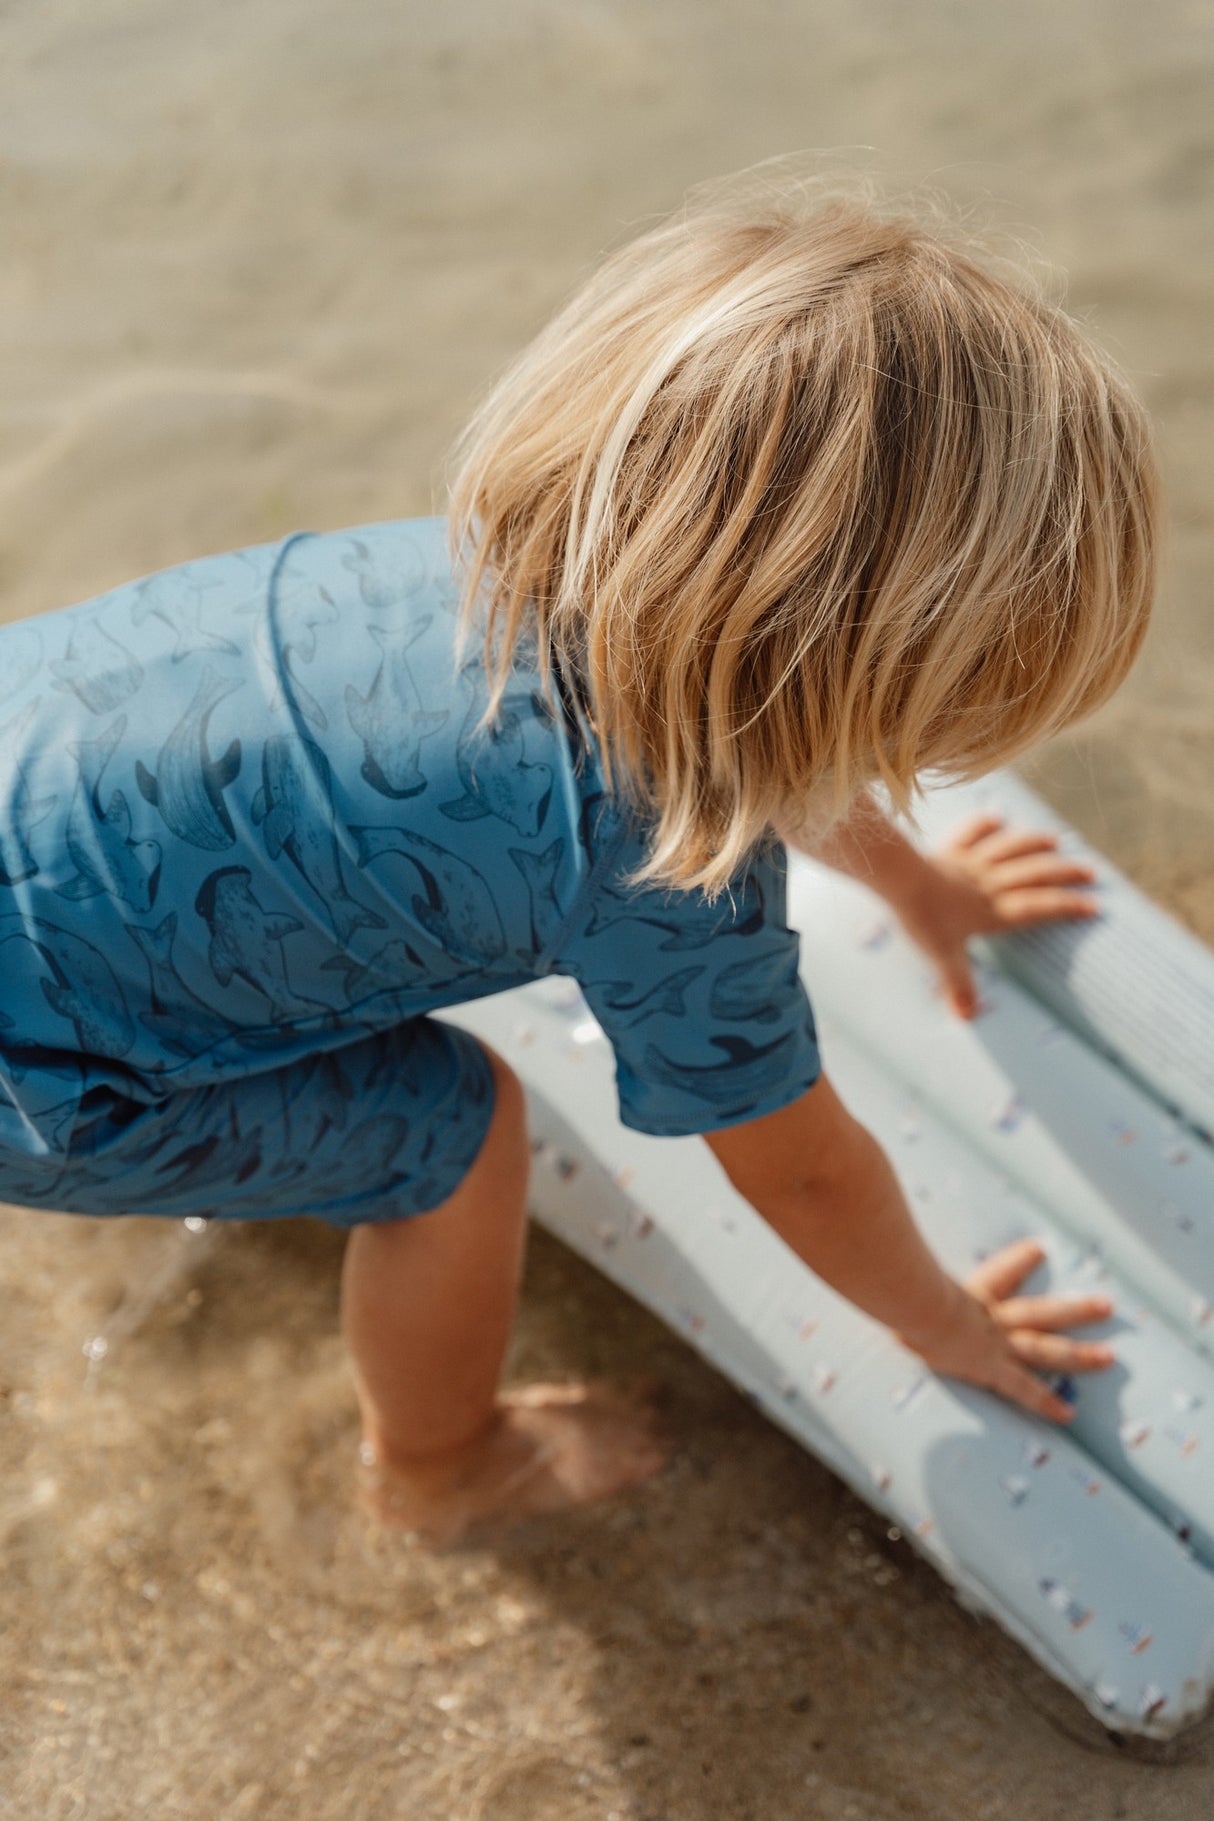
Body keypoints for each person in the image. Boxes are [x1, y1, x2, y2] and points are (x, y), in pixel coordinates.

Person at [0, 181, 1159, 1541]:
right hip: (43, 1068)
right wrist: (945, 1320)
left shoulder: (480, 567)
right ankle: (438, 1467)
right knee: (454, 1134)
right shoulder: (659, 866)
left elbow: (776, 731)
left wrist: (915, 885)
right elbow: (798, 1170)